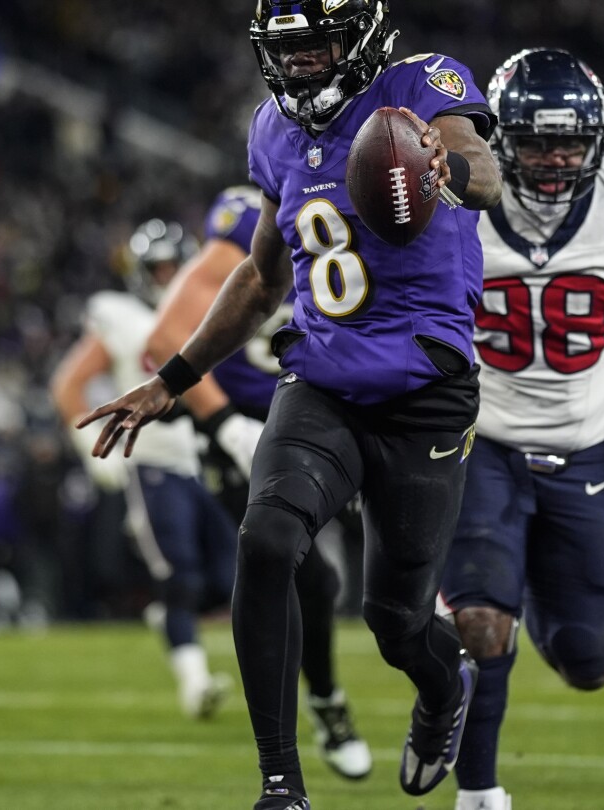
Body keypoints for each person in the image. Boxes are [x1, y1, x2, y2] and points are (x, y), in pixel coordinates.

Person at [77, 1, 502, 807]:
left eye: (321, 46)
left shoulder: (422, 84)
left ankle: (444, 689)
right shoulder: (272, 129)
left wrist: (451, 165)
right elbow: (264, 276)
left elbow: (484, 165)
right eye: (290, 50)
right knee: (268, 537)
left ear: (365, 37)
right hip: (323, 379)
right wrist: (172, 378)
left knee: (396, 623)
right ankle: (281, 784)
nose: (304, 64)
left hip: (424, 393)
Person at [438, 48, 604, 810]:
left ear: (598, 141)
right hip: (481, 445)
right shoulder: (454, 201)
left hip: (582, 453)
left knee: (590, 661)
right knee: (483, 623)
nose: (553, 160)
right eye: (537, 142)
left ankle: (515, 601)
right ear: (498, 140)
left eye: (569, 143)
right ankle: (478, 794)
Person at [144, 184, 372, 781]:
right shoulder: (254, 214)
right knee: (308, 578)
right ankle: (321, 709)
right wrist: (225, 425)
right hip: (247, 435)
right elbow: (164, 340)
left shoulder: (373, 193)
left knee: (388, 554)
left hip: (325, 415)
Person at [50, 219, 238, 721]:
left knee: (231, 577)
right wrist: (92, 448)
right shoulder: (121, 314)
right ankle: (195, 683)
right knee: (179, 574)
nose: (168, 276)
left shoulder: (207, 308)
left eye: (177, 267)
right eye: (159, 268)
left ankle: (171, 620)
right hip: (148, 459)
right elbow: (69, 386)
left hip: (201, 459)